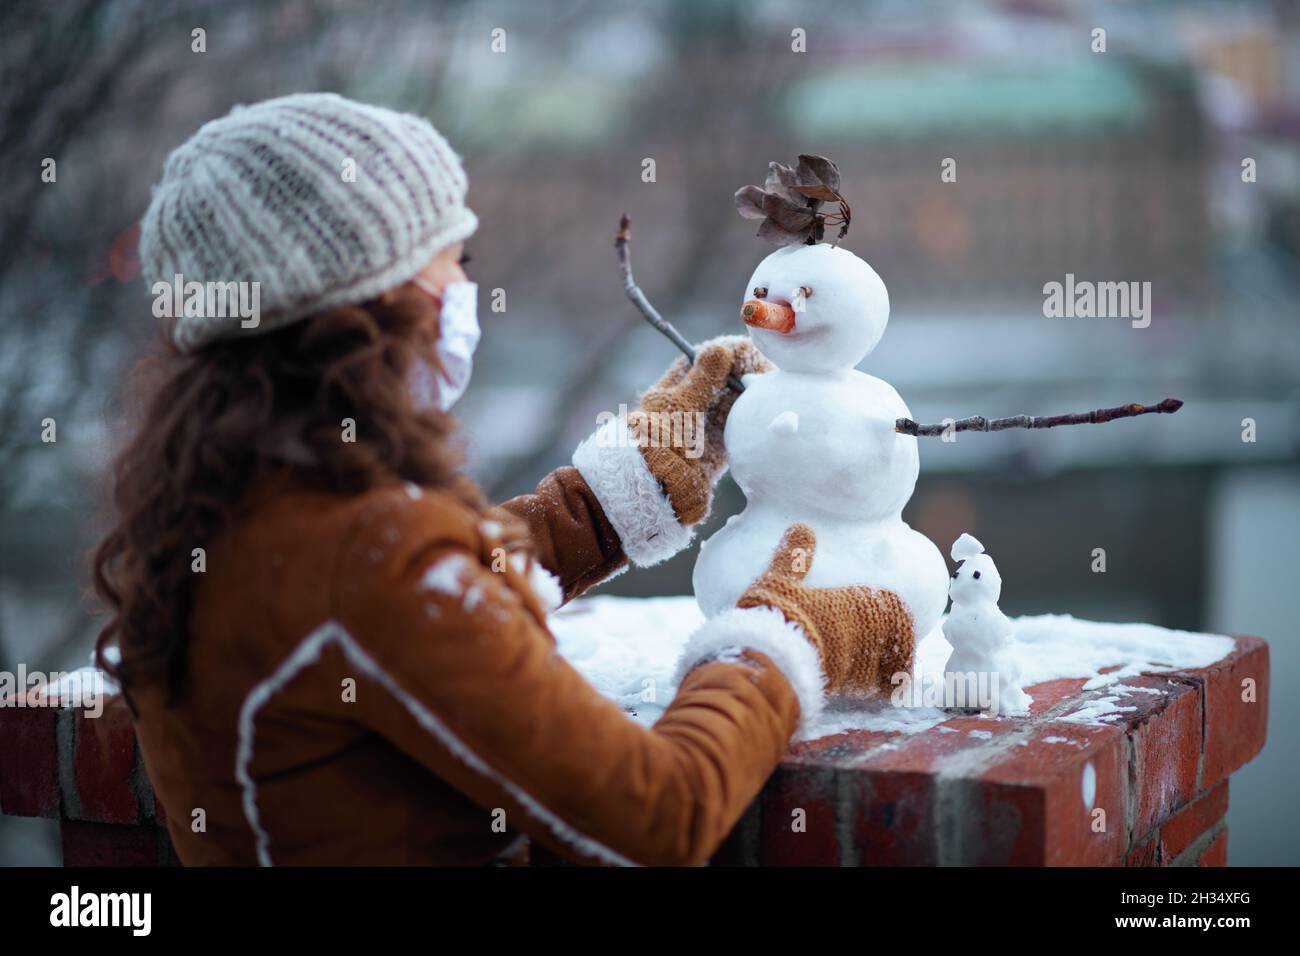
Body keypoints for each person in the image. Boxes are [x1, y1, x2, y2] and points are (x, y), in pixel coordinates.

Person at [94, 93, 888, 866]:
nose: (467, 291)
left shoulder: (229, 508)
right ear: (378, 296)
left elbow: (427, 626)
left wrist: (628, 488)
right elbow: (660, 812)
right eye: (455, 261)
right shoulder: (362, 552)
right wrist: (781, 643)